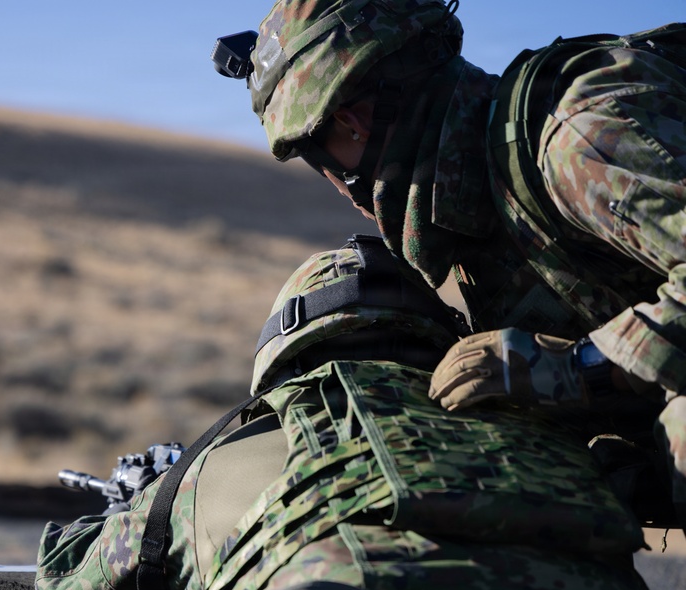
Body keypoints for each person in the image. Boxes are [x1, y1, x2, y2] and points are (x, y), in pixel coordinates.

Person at [37, 237, 685, 590]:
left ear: (285, 352)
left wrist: (146, 504)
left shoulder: (217, 463)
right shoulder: (546, 433)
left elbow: (68, 586)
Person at [212, 1, 686, 506]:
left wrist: (566, 368)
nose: (333, 183)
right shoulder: (477, 208)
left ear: (353, 123)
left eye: (315, 156)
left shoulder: (574, 134)